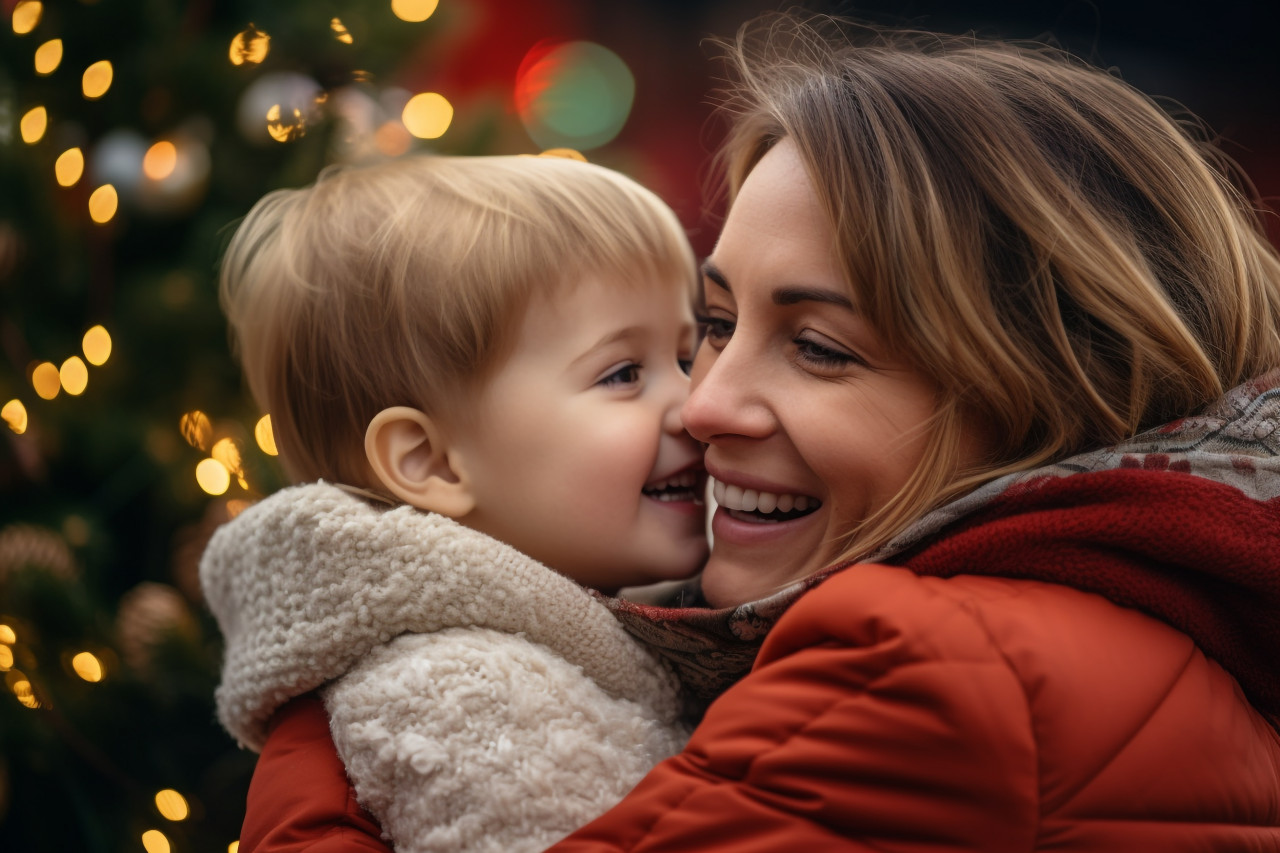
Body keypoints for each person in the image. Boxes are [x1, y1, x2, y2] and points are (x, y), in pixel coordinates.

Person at [238, 12, 1280, 852]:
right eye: (719, 327)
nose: (699, 406)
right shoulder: (1103, 612)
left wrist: (327, 730)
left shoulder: (925, 663)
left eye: (819, 347)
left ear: (1038, 386)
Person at [199, 152, 711, 853]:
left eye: (686, 356)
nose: (695, 404)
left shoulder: (669, 628)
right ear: (431, 462)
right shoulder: (446, 709)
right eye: (624, 373)